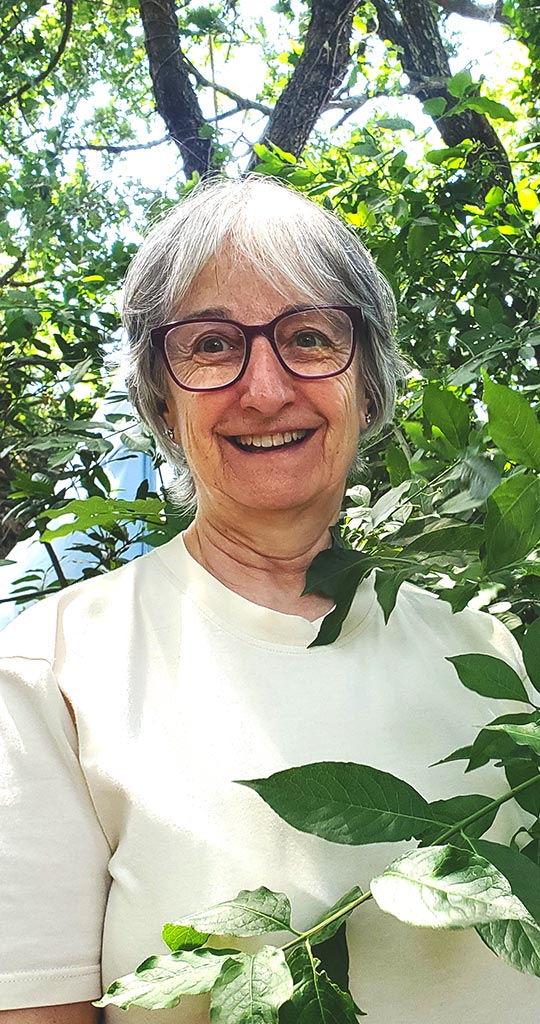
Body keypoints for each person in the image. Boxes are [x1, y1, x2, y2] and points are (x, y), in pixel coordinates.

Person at [0, 175, 536, 1024]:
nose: (264, 389)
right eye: (212, 345)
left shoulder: (482, 649)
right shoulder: (54, 670)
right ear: (161, 396)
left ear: (368, 382)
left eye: (309, 337)